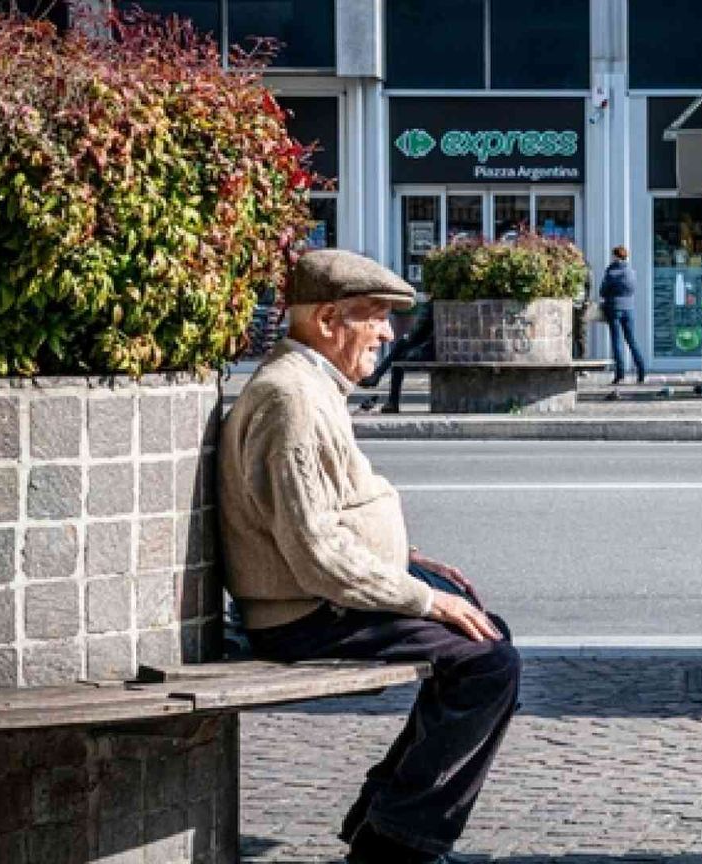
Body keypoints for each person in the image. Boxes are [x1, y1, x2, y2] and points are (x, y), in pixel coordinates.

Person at [219, 249, 520, 864]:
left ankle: (388, 821)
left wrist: (407, 560)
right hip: (304, 613)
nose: (388, 333)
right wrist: (422, 596)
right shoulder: (292, 401)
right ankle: (396, 844)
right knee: (489, 664)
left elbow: (319, 513)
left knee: (485, 634)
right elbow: (316, 555)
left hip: (316, 594)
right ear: (329, 320)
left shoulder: (309, 384)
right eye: (376, 317)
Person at [360, 298, 434, 414]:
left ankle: (387, 392)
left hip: (430, 351)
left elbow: (418, 332)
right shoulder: (435, 304)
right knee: (400, 350)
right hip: (433, 349)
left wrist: (408, 338)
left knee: (400, 351)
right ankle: (378, 379)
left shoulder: (432, 305)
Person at [598, 245, 647, 384]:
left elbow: (602, 291)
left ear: (615, 256)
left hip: (614, 308)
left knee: (617, 341)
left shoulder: (611, 272)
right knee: (631, 340)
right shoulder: (631, 272)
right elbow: (633, 289)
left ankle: (620, 374)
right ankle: (641, 371)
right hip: (629, 308)